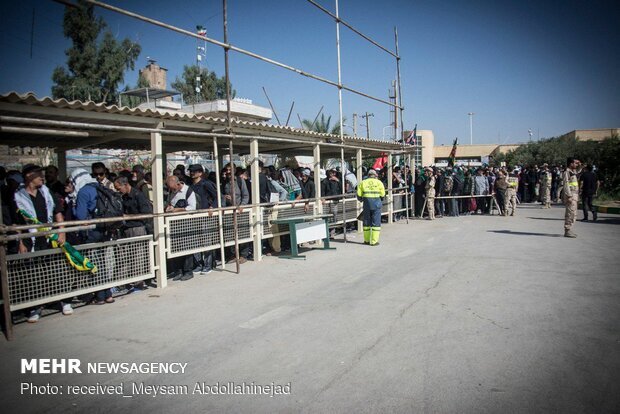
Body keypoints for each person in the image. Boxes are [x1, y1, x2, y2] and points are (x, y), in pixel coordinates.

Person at [14, 164, 73, 322]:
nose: (42, 177)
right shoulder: (18, 197)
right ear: (29, 176)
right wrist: (20, 242)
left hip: (50, 238)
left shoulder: (47, 193)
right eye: (39, 174)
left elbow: (58, 213)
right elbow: (17, 223)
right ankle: (35, 307)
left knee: (58, 269)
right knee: (32, 274)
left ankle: (64, 300)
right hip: (30, 240)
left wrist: (62, 232)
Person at [70, 168, 116, 305]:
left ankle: (100, 296)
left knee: (94, 264)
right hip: (106, 230)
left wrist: (73, 204)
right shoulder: (99, 187)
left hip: (91, 233)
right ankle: (108, 294)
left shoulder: (84, 191)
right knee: (105, 263)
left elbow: (81, 216)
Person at [188, 164, 219, 274]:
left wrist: (213, 207)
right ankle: (199, 264)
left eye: (195, 171)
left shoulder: (206, 184)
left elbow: (217, 196)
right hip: (194, 216)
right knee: (195, 241)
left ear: (200, 173)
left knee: (206, 241)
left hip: (205, 216)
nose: (192, 173)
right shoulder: (190, 185)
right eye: (191, 171)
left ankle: (208, 265)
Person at [166, 175, 198, 279]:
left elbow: (192, 207)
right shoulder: (171, 192)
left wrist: (178, 210)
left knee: (187, 246)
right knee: (176, 247)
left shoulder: (188, 191)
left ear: (178, 184)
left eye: (173, 188)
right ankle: (178, 271)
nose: (172, 190)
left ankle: (188, 271)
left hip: (186, 223)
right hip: (174, 223)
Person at [357, 169, 385, 246]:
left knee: (366, 222)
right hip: (376, 205)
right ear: (375, 175)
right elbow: (383, 195)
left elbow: (359, 196)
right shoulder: (379, 183)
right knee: (376, 223)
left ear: (368, 175)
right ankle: (374, 241)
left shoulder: (362, 183)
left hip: (366, 205)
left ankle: (366, 240)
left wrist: (362, 199)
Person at [562, 157, 581, 238]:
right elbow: (566, 185)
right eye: (575, 163)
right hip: (571, 195)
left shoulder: (573, 172)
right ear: (571, 163)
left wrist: (580, 164)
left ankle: (570, 229)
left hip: (575, 195)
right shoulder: (567, 172)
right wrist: (569, 196)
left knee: (574, 214)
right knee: (570, 213)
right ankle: (567, 230)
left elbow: (580, 170)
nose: (576, 165)